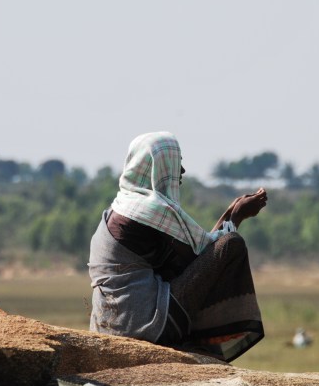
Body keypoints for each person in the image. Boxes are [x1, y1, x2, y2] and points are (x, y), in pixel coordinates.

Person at [88, 131, 268, 362]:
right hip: (145, 326)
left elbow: (202, 253)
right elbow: (205, 256)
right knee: (231, 245)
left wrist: (230, 213)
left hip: (112, 326)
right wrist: (236, 217)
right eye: (177, 163)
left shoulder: (122, 206)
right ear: (158, 167)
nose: (181, 171)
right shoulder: (148, 211)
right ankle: (206, 341)